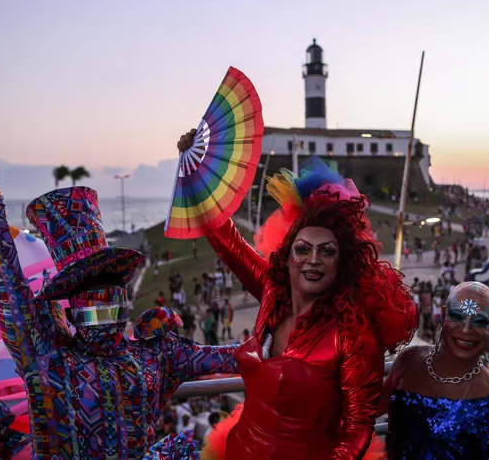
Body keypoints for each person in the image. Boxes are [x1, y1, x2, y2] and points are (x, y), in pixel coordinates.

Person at [0, 139, 239, 459]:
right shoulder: (50, 358)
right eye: (94, 314)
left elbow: (241, 355)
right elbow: (10, 287)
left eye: (115, 310)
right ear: (72, 315)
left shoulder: (153, 354)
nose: (106, 323)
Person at [174, 129, 418, 460]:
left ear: (341, 262)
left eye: (327, 251)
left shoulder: (353, 333)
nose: (313, 260)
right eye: (302, 249)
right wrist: (196, 169)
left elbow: (358, 429)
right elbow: (225, 238)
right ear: (287, 256)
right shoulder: (273, 294)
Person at [380, 281, 489, 459]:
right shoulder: (410, 360)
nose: (466, 329)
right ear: (444, 314)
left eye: (480, 321)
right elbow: (369, 410)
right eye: (457, 316)